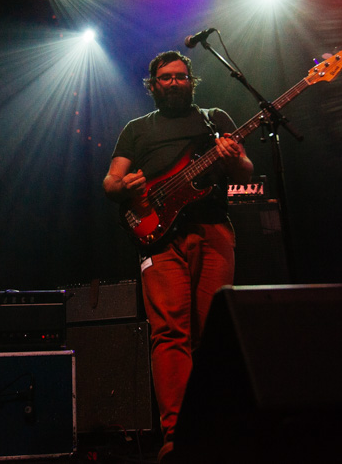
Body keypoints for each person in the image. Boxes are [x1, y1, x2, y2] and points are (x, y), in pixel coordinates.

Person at [103, 50, 253, 462]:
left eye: (181, 77)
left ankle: (220, 429)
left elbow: (245, 173)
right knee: (170, 331)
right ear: (152, 85)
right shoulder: (137, 130)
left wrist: (235, 157)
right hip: (159, 238)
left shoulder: (215, 119)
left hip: (213, 229)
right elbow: (111, 182)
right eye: (165, 78)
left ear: (192, 82)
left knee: (219, 332)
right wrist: (128, 188)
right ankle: (178, 434)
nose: (174, 83)